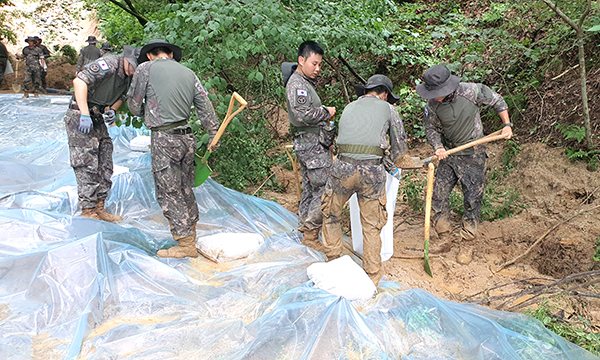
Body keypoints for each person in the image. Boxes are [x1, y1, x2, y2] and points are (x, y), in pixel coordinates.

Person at [127, 39, 220, 258]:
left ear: (150, 55)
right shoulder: (188, 73)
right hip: (187, 138)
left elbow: (134, 104)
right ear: (170, 54)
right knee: (185, 187)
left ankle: (186, 245)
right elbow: (205, 106)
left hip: (164, 138)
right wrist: (213, 133)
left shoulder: (145, 69)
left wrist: (144, 111)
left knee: (169, 191)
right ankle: (191, 233)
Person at [416, 64, 513, 265]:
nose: (433, 96)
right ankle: (444, 238)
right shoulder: (433, 104)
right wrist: (437, 147)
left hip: (473, 154)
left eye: (437, 93)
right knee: (438, 194)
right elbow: (430, 127)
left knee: (472, 199)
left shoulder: (472, 91)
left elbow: (498, 101)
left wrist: (506, 125)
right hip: (448, 155)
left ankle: (467, 243)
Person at [321, 75, 407, 285]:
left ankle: (333, 261)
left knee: (331, 213)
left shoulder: (349, 107)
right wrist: (392, 165)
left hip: (341, 168)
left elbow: (339, 139)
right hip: (371, 173)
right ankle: (372, 274)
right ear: (385, 94)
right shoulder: (389, 110)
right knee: (371, 224)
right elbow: (400, 150)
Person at [64, 45, 141, 221]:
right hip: (81, 114)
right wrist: (84, 113)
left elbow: (123, 96)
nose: (133, 72)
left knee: (105, 161)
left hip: (98, 115)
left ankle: (100, 207)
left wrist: (112, 109)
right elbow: (79, 82)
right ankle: (88, 210)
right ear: (127, 59)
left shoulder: (129, 76)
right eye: (133, 67)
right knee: (86, 163)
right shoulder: (109, 64)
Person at [284, 40, 336, 252]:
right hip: (310, 144)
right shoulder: (298, 85)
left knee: (311, 188)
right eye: (314, 64)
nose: (317, 68)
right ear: (301, 60)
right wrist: (327, 112)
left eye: (320, 65)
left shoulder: (303, 84)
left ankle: (303, 231)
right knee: (324, 189)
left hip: (312, 143)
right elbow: (302, 114)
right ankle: (311, 236)